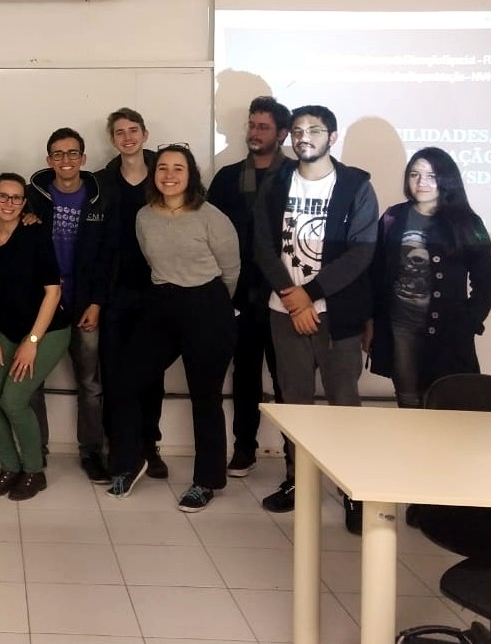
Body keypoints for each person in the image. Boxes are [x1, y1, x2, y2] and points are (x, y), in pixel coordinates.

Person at [253, 105, 379, 533]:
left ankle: (353, 491)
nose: (305, 136)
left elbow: (362, 251)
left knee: (344, 402)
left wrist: (310, 295)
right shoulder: (276, 181)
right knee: (295, 403)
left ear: (333, 136)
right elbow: (263, 246)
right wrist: (293, 299)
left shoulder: (356, 185)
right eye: (299, 130)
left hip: (337, 316)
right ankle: (297, 481)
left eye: (315, 129)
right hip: (284, 311)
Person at [105, 145, 240, 511]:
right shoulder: (144, 217)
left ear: (190, 175)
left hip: (207, 305)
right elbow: (152, 260)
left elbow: (230, 272)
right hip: (161, 303)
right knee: (124, 383)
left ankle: (206, 481)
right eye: (162, 167)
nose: (168, 175)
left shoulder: (212, 217)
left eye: (177, 168)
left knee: (205, 398)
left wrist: (208, 304)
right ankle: (130, 462)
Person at [0, 173, 71, 502]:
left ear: (24, 203)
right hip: (5, 331)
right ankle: (10, 467)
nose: (9, 204)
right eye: (3, 196)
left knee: (13, 400)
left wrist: (31, 344)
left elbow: (53, 293)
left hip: (48, 330)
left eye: (16, 198)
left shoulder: (34, 233)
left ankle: (34, 471)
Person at [366, 147, 491, 408]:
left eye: (431, 176)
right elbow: (375, 273)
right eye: (415, 174)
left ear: (446, 180)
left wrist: (470, 320)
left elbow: (486, 279)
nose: (421, 182)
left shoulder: (469, 224)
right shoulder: (392, 217)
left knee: (448, 403)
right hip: (401, 327)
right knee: (408, 398)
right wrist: (370, 323)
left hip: (449, 330)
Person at [205, 96, 290, 477]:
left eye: (263, 127)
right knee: (244, 375)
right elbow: (208, 233)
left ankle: (295, 458)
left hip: (288, 294)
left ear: (282, 133)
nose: (254, 133)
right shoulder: (226, 178)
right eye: (251, 126)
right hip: (239, 294)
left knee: (290, 378)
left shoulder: (299, 177)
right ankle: (244, 448)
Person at [26, 127, 112, 484]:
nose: (65, 160)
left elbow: (109, 256)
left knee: (90, 384)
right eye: (58, 154)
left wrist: (96, 302)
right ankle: (36, 449)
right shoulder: (32, 198)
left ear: (83, 158)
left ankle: (92, 451)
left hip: (83, 305)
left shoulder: (99, 199)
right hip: (42, 306)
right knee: (30, 381)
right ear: (49, 160)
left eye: (72, 153)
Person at [92, 107, 168, 480]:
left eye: (133, 130)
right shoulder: (103, 181)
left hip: (158, 288)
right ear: (112, 139)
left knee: (151, 372)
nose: (127, 137)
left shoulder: (166, 173)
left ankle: (148, 444)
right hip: (116, 291)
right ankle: (117, 445)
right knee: (115, 371)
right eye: (119, 132)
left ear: (145, 133)